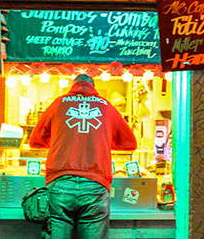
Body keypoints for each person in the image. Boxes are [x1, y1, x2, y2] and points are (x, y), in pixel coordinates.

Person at [30, 73, 137, 239]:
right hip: (95, 186)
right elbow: (129, 143)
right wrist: (103, 140)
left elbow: (35, 141)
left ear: (73, 86)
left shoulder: (58, 103)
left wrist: (60, 139)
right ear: (93, 87)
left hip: (60, 185)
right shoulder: (106, 106)